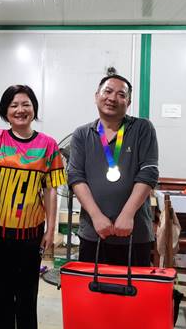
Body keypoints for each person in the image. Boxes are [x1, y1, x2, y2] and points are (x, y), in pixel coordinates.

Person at [0, 82, 66, 329]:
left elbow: (51, 190)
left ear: (34, 109)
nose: (20, 110)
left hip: (30, 233)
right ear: (5, 112)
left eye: (26, 105)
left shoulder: (48, 145)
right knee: (0, 292)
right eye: (14, 105)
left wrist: (51, 229)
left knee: (27, 293)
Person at [67, 74, 159, 266]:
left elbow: (148, 172)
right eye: (107, 91)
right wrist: (96, 217)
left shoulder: (142, 128)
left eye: (121, 94)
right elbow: (76, 177)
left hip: (134, 233)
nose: (112, 98)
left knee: (132, 285)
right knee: (93, 285)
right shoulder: (81, 134)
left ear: (128, 102)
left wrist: (127, 214)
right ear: (96, 96)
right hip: (93, 232)